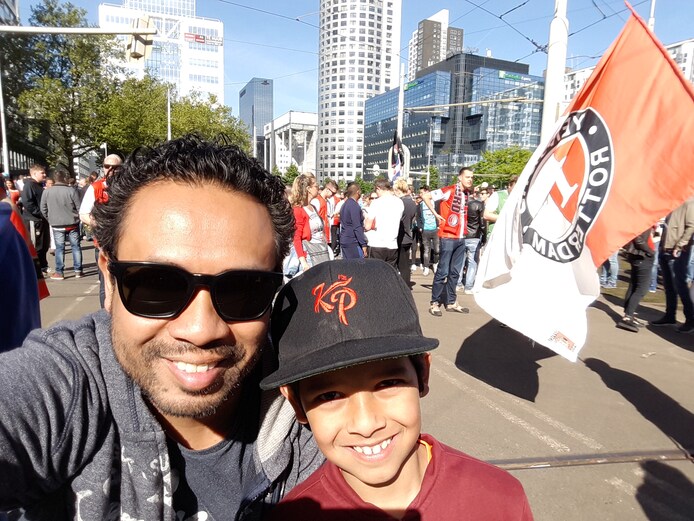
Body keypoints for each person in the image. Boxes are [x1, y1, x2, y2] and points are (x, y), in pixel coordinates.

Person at [0, 136, 322, 520]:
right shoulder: (65, 386)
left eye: (242, 290)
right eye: (158, 285)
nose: (200, 329)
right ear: (110, 280)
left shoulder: (320, 397)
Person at [261, 259, 534, 521]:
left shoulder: (500, 499)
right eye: (329, 396)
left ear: (423, 374)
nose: (366, 425)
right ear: (296, 403)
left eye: (388, 383)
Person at [422, 167, 474, 316]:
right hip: (448, 236)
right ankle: (435, 303)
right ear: (460, 177)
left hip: (461, 237)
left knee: (455, 272)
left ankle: (451, 301)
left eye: (471, 177)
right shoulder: (449, 190)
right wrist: (436, 214)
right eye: (467, 177)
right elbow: (426, 196)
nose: (470, 179)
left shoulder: (466, 193)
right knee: (443, 271)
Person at [79, 154, 123, 306]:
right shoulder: (96, 187)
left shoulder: (129, 186)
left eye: (115, 167)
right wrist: (101, 223)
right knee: (106, 282)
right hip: (104, 242)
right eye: (107, 166)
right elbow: (83, 214)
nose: (111, 170)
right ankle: (105, 314)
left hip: (124, 242)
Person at [650, 196, 694, 333]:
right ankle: (670, 315)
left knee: (680, 285)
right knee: (668, 286)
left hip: (677, 250)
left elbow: (691, 225)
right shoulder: (672, 200)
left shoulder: (689, 201)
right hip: (665, 247)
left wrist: (680, 245)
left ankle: (690, 319)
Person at [40, 169, 83, 280]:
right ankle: (78, 270)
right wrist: (78, 218)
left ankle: (59, 272)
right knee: (76, 247)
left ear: (54, 179)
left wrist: (50, 218)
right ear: (65, 178)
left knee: (59, 248)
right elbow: (79, 207)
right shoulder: (71, 191)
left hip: (56, 224)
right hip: (72, 223)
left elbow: (43, 209)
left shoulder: (47, 192)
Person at [289, 174, 332, 273]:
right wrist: (303, 262)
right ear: (308, 189)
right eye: (316, 186)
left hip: (321, 252)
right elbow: (296, 237)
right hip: (309, 256)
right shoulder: (298, 210)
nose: (318, 188)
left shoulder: (313, 207)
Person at [616, 227, 655, 332]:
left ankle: (629, 314)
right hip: (642, 255)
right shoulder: (644, 222)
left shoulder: (640, 221)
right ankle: (628, 317)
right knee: (642, 288)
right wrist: (650, 252)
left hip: (637, 255)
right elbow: (638, 239)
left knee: (633, 285)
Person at [364, 178, 403, 268]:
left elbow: (367, 226)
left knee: (375, 273)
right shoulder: (399, 202)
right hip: (392, 244)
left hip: (377, 244)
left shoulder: (376, 202)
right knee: (390, 272)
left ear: (378, 188)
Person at [20, 164, 50, 273]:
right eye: (42, 173)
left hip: (41, 220)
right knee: (36, 245)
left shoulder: (39, 185)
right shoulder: (29, 185)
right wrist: (40, 213)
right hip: (34, 220)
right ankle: (35, 268)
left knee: (44, 244)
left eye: (44, 172)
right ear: (34, 173)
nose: (45, 175)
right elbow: (27, 202)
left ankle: (43, 265)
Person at [457, 186, 487, 294]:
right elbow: (482, 223)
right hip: (474, 235)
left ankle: (458, 283)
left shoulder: (461, 204)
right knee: (472, 262)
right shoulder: (479, 205)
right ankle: (468, 286)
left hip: (462, 235)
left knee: (460, 261)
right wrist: (484, 237)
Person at [393, 178, 417, 287]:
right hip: (408, 235)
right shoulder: (412, 202)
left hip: (399, 236)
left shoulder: (399, 202)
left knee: (399, 264)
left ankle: (403, 286)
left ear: (398, 190)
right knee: (405, 264)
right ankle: (406, 285)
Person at [339, 182, 368, 259]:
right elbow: (357, 226)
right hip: (352, 241)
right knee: (357, 265)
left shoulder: (345, 205)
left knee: (348, 265)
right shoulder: (354, 206)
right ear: (358, 192)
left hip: (345, 239)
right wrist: (363, 244)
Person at [418, 185, 439, 277]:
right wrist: (420, 226)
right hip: (425, 230)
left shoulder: (436, 203)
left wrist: (439, 225)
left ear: (427, 192)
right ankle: (426, 266)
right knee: (426, 250)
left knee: (437, 250)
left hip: (435, 229)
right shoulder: (420, 205)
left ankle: (435, 263)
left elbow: (440, 213)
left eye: (422, 192)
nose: (420, 194)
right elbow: (418, 217)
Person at [311, 179, 338, 245]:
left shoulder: (327, 201)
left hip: (325, 234)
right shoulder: (316, 201)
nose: (333, 195)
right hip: (318, 236)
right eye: (333, 193)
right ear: (327, 189)